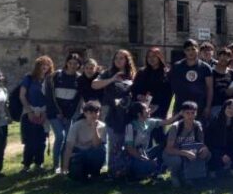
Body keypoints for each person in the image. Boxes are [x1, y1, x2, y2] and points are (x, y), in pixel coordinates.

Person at [92, 49, 136, 177]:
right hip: (112, 114)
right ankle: (113, 171)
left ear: (127, 60)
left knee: (127, 142)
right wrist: (111, 79)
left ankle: (125, 170)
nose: (118, 60)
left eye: (121, 58)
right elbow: (94, 85)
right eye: (116, 58)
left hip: (128, 113)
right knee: (114, 143)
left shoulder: (132, 75)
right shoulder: (108, 73)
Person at [124, 102, 180, 180]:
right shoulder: (130, 126)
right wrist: (144, 159)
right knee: (150, 165)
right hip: (133, 158)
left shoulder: (149, 122)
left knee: (164, 146)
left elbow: (167, 122)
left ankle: (155, 169)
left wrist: (180, 114)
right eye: (146, 109)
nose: (149, 110)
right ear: (139, 114)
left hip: (145, 153)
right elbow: (129, 149)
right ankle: (149, 170)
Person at [47, 53, 82, 174]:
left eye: (75, 64)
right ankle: (55, 165)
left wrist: (68, 115)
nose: (72, 65)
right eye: (70, 63)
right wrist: (57, 112)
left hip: (69, 115)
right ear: (67, 63)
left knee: (68, 139)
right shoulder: (56, 75)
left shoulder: (79, 78)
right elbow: (50, 96)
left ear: (79, 65)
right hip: (54, 113)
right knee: (60, 136)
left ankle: (64, 165)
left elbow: (76, 100)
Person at [163, 101, 211, 188]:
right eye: (187, 113)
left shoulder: (197, 125)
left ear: (196, 113)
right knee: (177, 161)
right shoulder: (176, 127)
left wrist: (204, 149)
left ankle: (191, 175)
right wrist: (184, 153)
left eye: (193, 113)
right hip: (174, 153)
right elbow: (168, 149)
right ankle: (175, 174)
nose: (190, 116)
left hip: (191, 152)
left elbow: (201, 144)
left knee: (207, 154)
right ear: (183, 114)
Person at [18, 55, 53, 173]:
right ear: (37, 66)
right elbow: (22, 96)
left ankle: (39, 164)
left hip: (44, 112)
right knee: (29, 141)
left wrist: (45, 113)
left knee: (41, 141)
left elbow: (51, 98)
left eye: (47, 65)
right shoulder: (29, 78)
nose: (45, 67)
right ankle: (26, 165)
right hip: (29, 111)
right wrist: (29, 112)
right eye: (42, 64)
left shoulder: (50, 80)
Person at [132, 48, 173, 146]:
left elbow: (168, 93)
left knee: (159, 136)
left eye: (154, 56)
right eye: (149, 57)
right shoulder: (142, 72)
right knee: (144, 136)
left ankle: (161, 154)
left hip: (159, 109)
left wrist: (157, 106)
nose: (151, 59)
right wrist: (139, 96)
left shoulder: (166, 73)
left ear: (160, 57)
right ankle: (145, 155)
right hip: (142, 110)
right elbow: (134, 89)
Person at [62, 101, 107, 182]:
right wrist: (65, 167)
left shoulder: (102, 126)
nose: (94, 115)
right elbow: (69, 147)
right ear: (85, 113)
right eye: (91, 113)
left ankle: (95, 173)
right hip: (78, 154)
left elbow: (96, 145)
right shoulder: (76, 126)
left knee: (101, 150)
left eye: (96, 112)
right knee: (78, 177)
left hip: (92, 153)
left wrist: (94, 129)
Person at [170, 39, 214, 121]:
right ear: (184, 51)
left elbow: (210, 88)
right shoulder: (177, 66)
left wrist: (208, 107)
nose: (191, 52)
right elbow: (173, 87)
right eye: (188, 50)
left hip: (200, 107)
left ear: (198, 50)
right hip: (181, 107)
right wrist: (174, 110)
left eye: (193, 49)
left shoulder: (205, 68)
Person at [205, 99, 233, 177]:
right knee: (214, 154)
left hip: (230, 148)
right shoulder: (215, 121)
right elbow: (210, 141)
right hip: (216, 148)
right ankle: (212, 169)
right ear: (224, 108)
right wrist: (222, 155)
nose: (231, 110)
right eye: (229, 108)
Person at [211, 48, 233, 120]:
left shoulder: (232, 73)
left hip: (228, 107)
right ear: (218, 57)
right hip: (214, 106)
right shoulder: (210, 72)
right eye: (222, 56)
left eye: (227, 57)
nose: (224, 59)